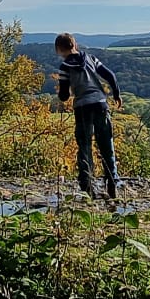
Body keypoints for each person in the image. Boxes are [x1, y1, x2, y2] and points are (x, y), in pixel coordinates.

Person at [55, 33, 124, 200]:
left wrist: (65, 92)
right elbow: (110, 75)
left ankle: (87, 185)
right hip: (100, 104)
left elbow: (64, 96)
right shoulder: (91, 58)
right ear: (75, 45)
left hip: (82, 108)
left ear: (59, 49)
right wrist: (116, 94)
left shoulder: (65, 67)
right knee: (106, 144)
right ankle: (112, 182)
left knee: (85, 146)